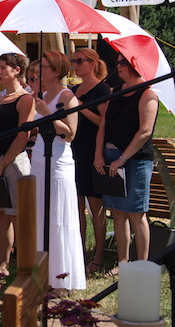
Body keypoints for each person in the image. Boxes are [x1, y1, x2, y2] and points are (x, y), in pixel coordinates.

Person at [94, 52, 158, 275]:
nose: (118, 66)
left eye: (123, 62)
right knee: (117, 212)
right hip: (111, 155)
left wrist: (122, 159)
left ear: (134, 66)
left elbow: (145, 131)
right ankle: (122, 262)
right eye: (117, 62)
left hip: (135, 160)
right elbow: (104, 124)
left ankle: (142, 264)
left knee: (136, 213)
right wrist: (98, 154)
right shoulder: (116, 92)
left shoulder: (147, 94)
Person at [30, 50, 85, 293]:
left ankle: (61, 279)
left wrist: (47, 114)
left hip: (59, 159)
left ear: (56, 70)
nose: (39, 71)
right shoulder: (40, 95)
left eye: (44, 67)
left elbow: (70, 133)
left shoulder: (67, 96)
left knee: (58, 216)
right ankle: (41, 273)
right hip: (39, 156)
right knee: (40, 214)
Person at [0, 53, 34, 281]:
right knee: (1, 216)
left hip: (14, 162)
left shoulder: (26, 99)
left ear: (17, 70)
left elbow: (23, 135)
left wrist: (2, 164)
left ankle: (25, 269)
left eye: (3, 67)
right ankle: (2, 266)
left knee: (18, 217)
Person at [70, 48, 110, 274]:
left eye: (79, 61)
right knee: (75, 205)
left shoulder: (102, 89)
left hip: (93, 151)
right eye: (73, 61)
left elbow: (103, 121)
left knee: (96, 206)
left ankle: (99, 256)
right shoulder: (73, 89)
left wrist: (81, 107)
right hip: (74, 150)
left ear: (93, 64)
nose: (75, 65)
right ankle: (79, 251)